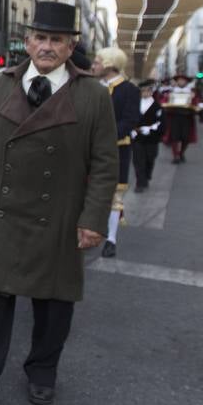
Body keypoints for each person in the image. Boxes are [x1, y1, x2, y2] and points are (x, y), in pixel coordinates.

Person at [0, 1, 117, 405]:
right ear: (28, 42)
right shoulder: (0, 83)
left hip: (60, 218)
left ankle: (42, 370)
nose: (47, 46)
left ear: (70, 48)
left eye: (57, 40)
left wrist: (93, 218)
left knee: (54, 306)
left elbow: (105, 164)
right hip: (1, 214)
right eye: (41, 38)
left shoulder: (93, 95)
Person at [92, 46, 139, 259]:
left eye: (97, 61)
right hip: (89, 150)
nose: (93, 65)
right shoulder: (92, 87)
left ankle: (110, 239)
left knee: (114, 196)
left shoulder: (129, 90)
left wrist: (104, 137)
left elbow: (130, 121)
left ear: (109, 64)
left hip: (117, 149)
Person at [161, 72, 203, 163]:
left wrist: (196, 104)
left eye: (183, 80)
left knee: (186, 138)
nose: (181, 82)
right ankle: (175, 156)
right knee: (174, 137)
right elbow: (163, 102)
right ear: (177, 82)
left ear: (186, 82)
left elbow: (197, 104)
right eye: (179, 80)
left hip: (187, 118)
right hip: (174, 117)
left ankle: (181, 153)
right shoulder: (171, 92)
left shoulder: (192, 93)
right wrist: (166, 102)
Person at [132, 80, 162, 192]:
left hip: (151, 139)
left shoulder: (157, 106)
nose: (145, 93)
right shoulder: (135, 104)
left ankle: (147, 175)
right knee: (138, 160)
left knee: (150, 159)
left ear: (151, 92)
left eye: (147, 91)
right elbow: (130, 118)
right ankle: (140, 182)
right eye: (142, 91)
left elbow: (161, 122)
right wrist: (132, 130)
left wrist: (150, 129)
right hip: (138, 138)